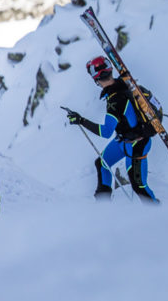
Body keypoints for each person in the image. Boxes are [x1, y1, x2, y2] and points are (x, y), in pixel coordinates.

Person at [64, 56, 159, 203]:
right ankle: (104, 208)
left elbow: (106, 132)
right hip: (124, 141)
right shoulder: (125, 86)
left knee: (139, 186)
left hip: (136, 145)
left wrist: (81, 121)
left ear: (96, 79)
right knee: (102, 163)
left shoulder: (115, 100)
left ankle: (159, 215)